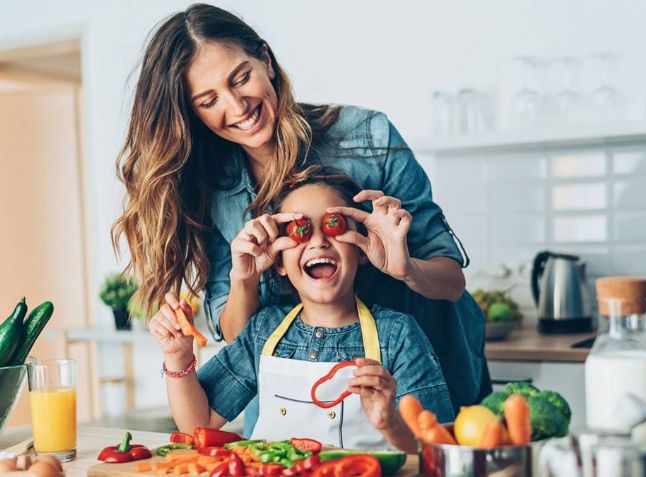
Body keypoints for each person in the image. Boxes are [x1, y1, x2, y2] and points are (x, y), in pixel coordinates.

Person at [112, 3, 490, 436]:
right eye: (208, 99)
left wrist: (405, 268)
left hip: (409, 384)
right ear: (191, 111)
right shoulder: (206, 185)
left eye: (241, 78)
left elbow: (450, 280)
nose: (237, 106)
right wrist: (245, 279)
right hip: (289, 401)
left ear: (266, 61)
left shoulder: (368, 137)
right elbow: (240, 337)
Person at [149, 167, 454, 452]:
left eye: (334, 227)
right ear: (279, 261)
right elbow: (198, 424)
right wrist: (177, 357)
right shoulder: (263, 329)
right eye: (300, 230)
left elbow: (437, 451)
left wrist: (391, 423)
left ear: (361, 248)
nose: (319, 242)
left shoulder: (398, 334)